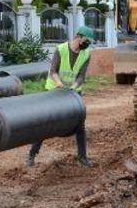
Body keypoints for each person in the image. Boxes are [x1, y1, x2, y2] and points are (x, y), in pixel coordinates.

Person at [27, 25, 97, 168]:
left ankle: (82, 157)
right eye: (86, 41)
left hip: (73, 92)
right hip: (54, 89)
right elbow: (53, 70)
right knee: (45, 122)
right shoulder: (61, 49)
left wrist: (73, 87)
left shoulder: (86, 54)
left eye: (89, 43)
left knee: (80, 124)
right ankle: (32, 155)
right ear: (78, 37)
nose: (87, 44)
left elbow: (81, 76)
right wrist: (59, 84)